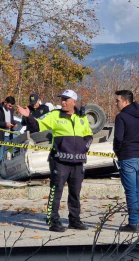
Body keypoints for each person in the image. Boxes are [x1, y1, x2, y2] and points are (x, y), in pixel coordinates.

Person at [18, 89, 93, 232]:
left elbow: (89, 135)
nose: (63, 102)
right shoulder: (54, 115)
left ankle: (74, 220)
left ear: (74, 102)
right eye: (62, 99)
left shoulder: (82, 118)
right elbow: (37, 126)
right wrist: (29, 117)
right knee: (56, 191)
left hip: (78, 162)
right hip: (59, 160)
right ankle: (53, 221)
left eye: (66, 99)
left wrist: (84, 147)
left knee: (75, 192)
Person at [114, 90, 139, 233]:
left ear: (126, 102)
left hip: (127, 158)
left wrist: (119, 152)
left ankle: (133, 224)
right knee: (137, 191)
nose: (116, 103)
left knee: (130, 192)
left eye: (118, 101)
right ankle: (135, 221)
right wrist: (138, 147)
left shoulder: (121, 117)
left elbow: (118, 139)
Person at [0, 96, 17, 176]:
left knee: (6, 156)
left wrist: (14, 124)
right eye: (9, 105)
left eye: (12, 106)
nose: (11, 107)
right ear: (5, 103)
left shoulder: (11, 110)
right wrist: (5, 124)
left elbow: (11, 120)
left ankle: (2, 172)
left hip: (8, 135)